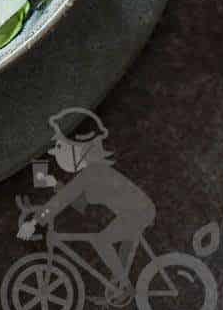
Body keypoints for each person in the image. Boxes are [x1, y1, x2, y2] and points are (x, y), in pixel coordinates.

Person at [25, 108, 156, 298]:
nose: (55, 152)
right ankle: (121, 285)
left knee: (101, 240)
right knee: (115, 244)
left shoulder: (92, 173)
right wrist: (51, 191)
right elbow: (80, 204)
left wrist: (35, 221)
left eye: (60, 147)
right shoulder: (92, 173)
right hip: (133, 212)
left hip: (138, 212)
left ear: (80, 149)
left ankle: (124, 287)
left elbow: (67, 197)